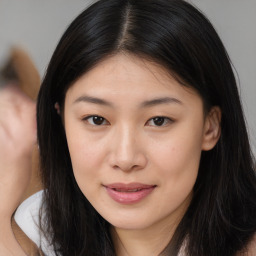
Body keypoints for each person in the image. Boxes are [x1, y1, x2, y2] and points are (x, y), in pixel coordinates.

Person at [1, 0, 256, 255]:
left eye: (158, 120)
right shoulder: (38, 227)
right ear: (61, 124)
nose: (125, 158)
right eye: (96, 120)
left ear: (209, 127)